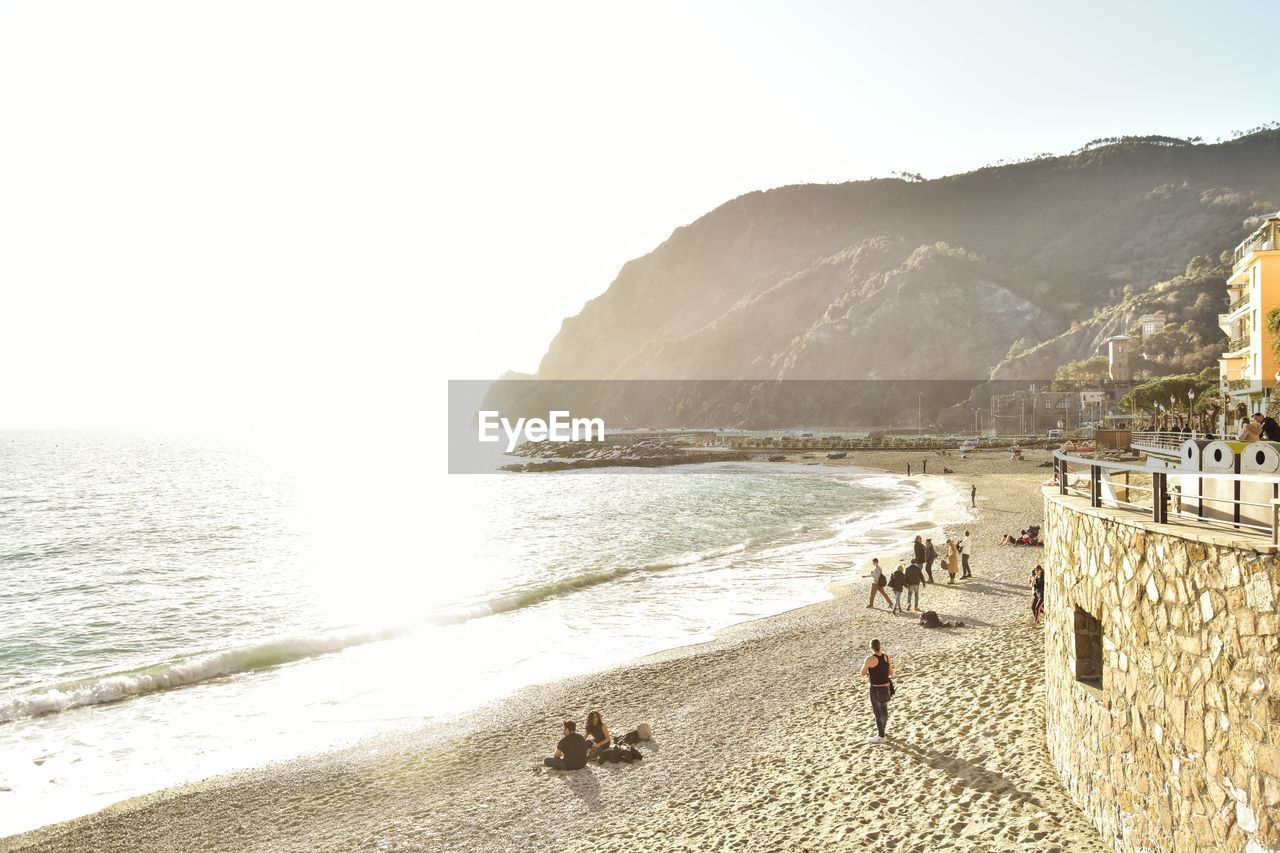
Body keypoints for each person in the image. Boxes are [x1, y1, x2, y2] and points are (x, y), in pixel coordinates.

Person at [860, 638, 894, 742]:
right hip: (886, 687)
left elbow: (862, 673)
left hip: (876, 688)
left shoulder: (869, 659)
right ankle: (883, 732)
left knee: (878, 712)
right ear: (880, 646)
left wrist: (871, 672)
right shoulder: (886, 657)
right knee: (884, 710)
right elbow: (891, 673)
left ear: (871, 647)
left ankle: (881, 736)